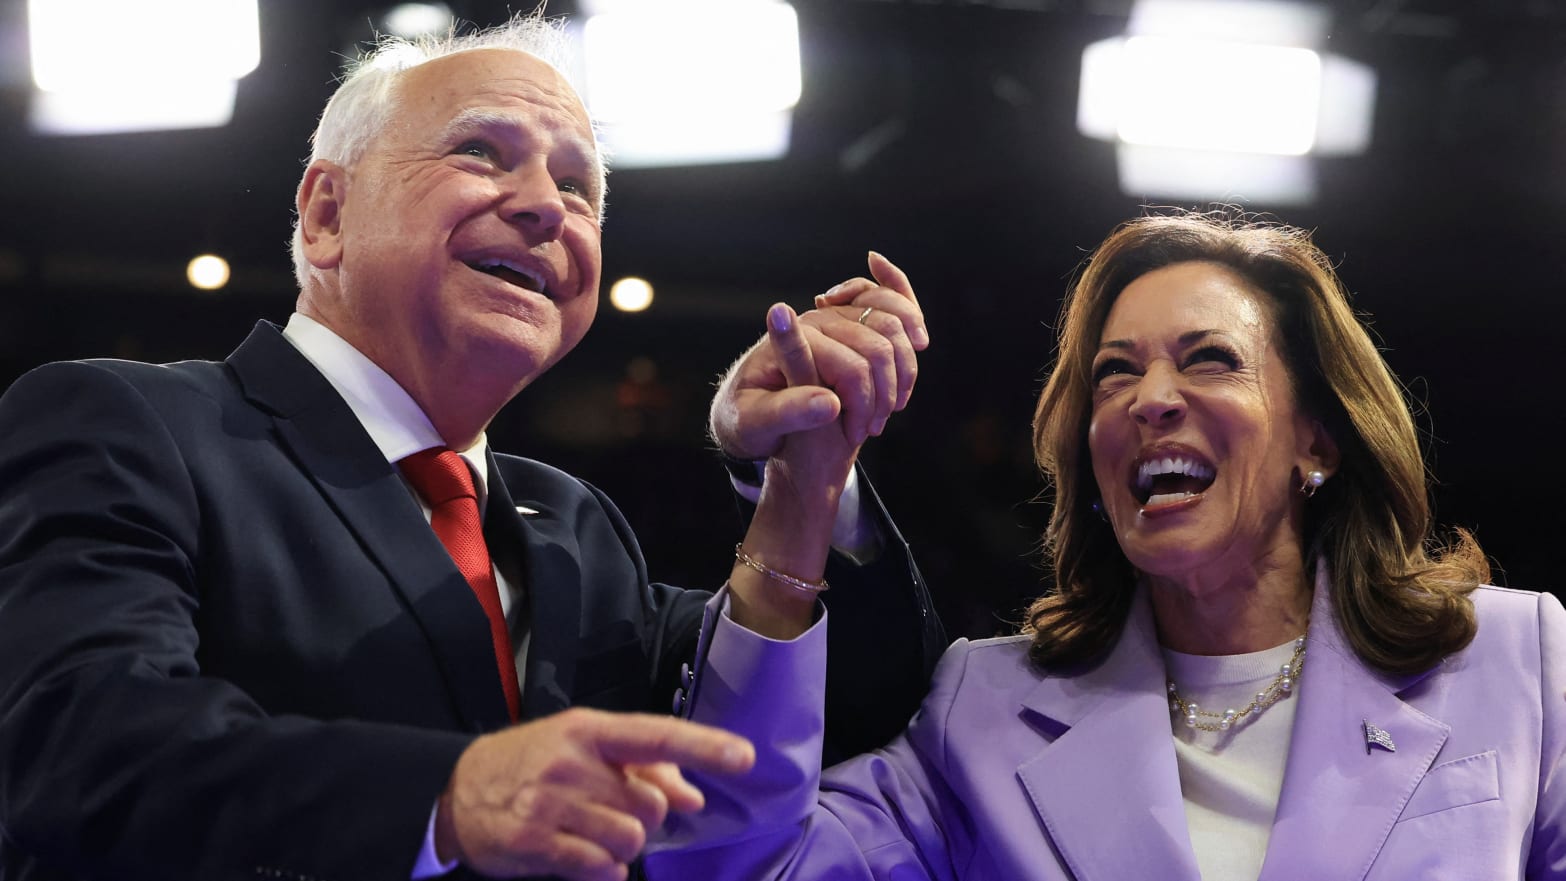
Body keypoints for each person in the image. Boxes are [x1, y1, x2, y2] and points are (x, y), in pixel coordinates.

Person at [0, 14, 946, 881]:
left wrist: (804, 479)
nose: (547, 206)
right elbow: (78, 751)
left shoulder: (575, 524)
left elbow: (848, 713)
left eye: (577, 185)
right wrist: (448, 795)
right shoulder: (128, 425)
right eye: (482, 152)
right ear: (327, 216)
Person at [645, 211, 1566, 880]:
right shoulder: (988, 711)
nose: (1148, 397)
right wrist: (802, 489)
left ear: (1316, 442)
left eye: (1209, 358)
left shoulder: (1519, 662)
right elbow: (736, 873)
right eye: (1113, 373)